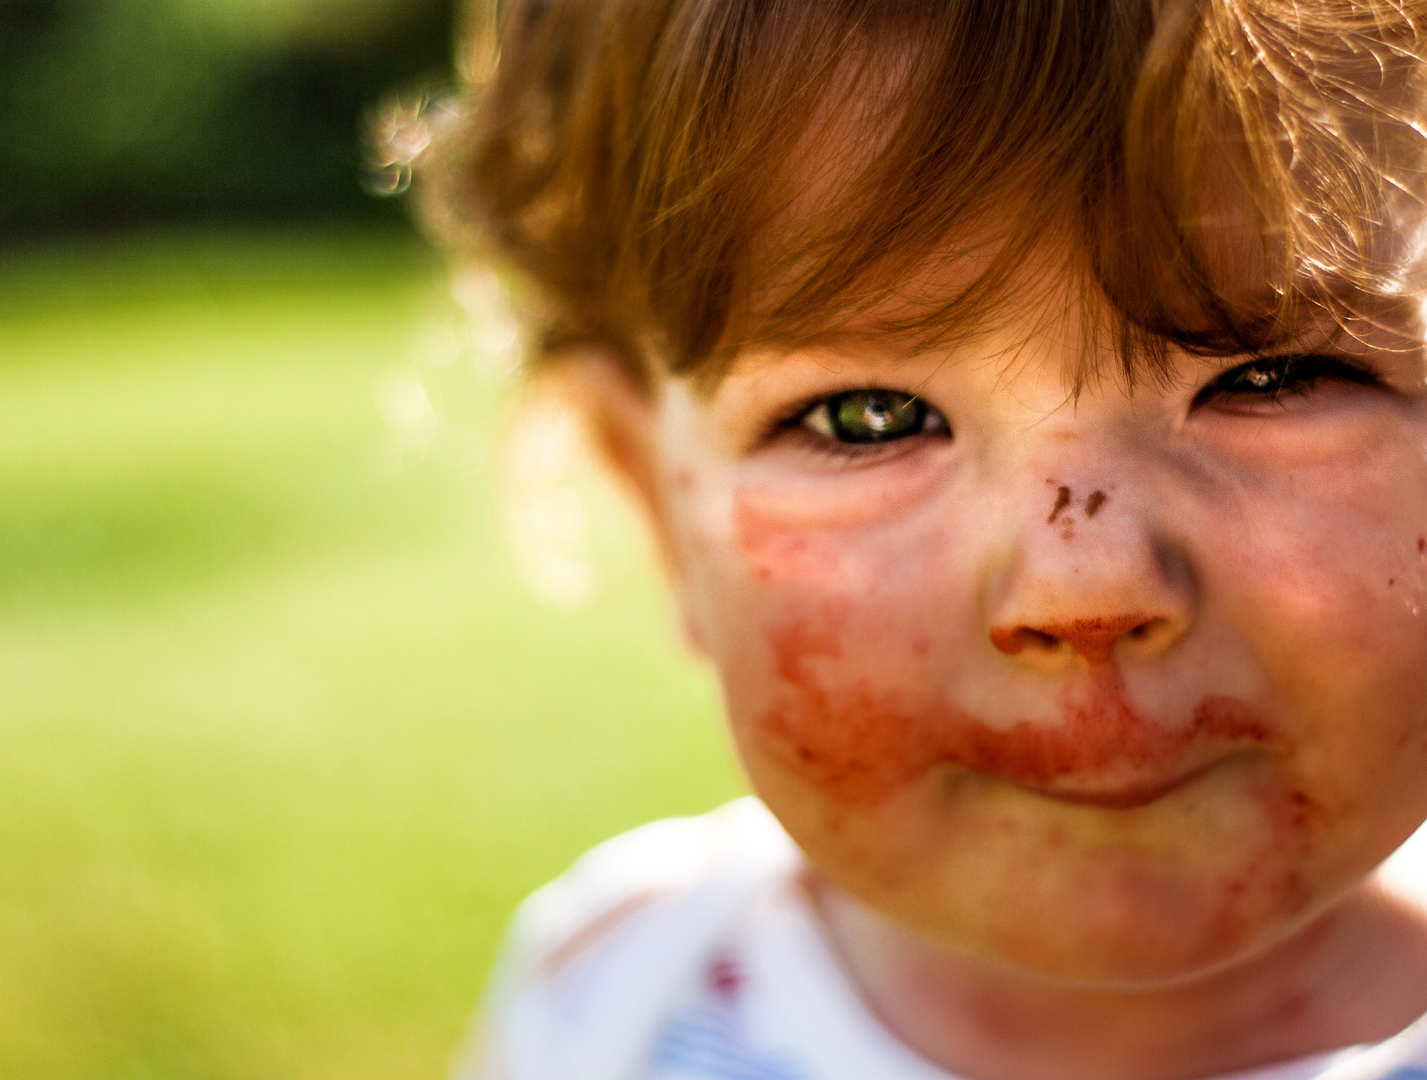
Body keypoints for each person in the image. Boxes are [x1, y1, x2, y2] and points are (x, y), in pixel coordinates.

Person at [419, 0, 1427, 1076]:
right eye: (869, 418)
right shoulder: (609, 998)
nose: (1081, 585)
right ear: (656, 500)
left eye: (1269, 378)